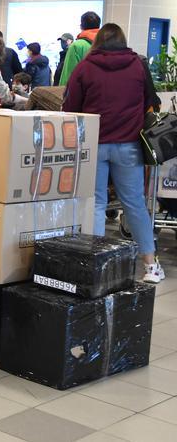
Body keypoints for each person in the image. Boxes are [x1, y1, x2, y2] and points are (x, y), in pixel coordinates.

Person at [62, 23, 164, 283]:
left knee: (96, 204)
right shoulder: (138, 65)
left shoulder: (85, 67)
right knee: (134, 204)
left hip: (94, 144)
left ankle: (95, 265)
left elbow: (71, 106)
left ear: (98, 42)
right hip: (129, 145)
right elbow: (153, 101)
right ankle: (150, 265)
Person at [58, 11, 101, 86]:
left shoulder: (77, 46)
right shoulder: (106, 43)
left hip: (84, 93)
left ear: (81, 26)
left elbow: (68, 76)